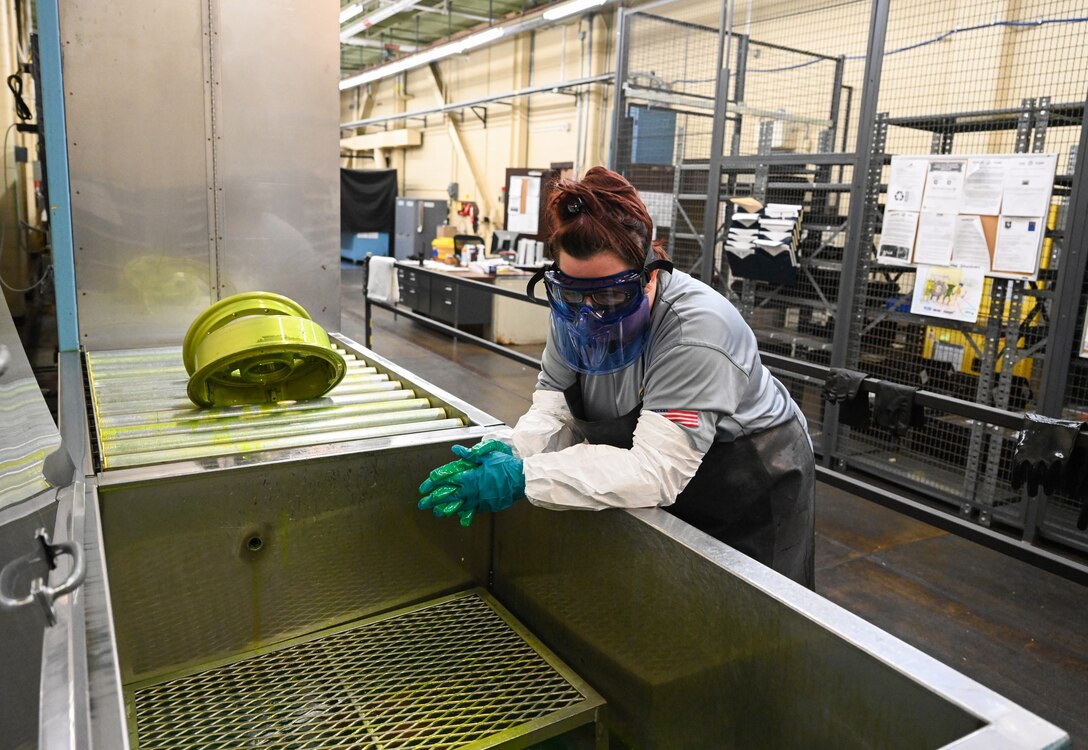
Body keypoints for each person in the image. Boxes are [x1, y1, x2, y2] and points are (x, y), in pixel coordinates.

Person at [418, 166, 816, 588]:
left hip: (747, 478)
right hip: (668, 470)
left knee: (751, 613)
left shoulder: (696, 332)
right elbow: (555, 411)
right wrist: (512, 452)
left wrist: (526, 477)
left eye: (611, 295)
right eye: (572, 293)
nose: (590, 314)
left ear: (651, 276)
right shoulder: (572, 315)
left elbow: (655, 470)